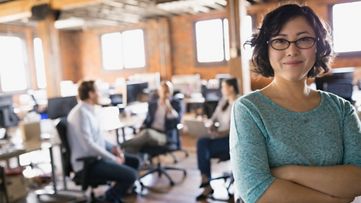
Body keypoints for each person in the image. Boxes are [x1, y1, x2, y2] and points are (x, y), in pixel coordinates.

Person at [230, 3, 361, 203]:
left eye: (304, 39)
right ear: (266, 49)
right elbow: (256, 192)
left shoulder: (342, 110)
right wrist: (334, 200)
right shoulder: (249, 109)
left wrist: (289, 173)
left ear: (318, 46)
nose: (292, 50)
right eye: (280, 41)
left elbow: (358, 179)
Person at [67, 80, 140, 203]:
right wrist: (113, 158)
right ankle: (109, 199)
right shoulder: (80, 114)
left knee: (134, 161)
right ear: (91, 94)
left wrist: (113, 148)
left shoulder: (90, 111)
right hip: (88, 164)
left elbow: (98, 139)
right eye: (98, 91)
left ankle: (119, 193)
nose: (101, 94)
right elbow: (89, 146)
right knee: (131, 175)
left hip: (97, 159)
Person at [196, 78, 239, 200]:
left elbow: (236, 129)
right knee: (202, 142)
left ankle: (206, 183)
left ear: (231, 88)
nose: (221, 89)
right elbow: (214, 119)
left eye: (223, 87)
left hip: (232, 141)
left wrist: (220, 134)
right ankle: (205, 180)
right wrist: (209, 125)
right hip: (219, 137)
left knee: (204, 148)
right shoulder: (223, 102)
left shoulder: (239, 103)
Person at [121, 80, 182, 154]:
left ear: (171, 91)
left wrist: (168, 105)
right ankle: (130, 160)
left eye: (167, 90)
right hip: (152, 131)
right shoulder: (153, 104)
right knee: (136, 144)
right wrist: (141, 126)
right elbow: (148, 119)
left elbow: (177, 121)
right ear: (159, 91)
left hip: (165, 135)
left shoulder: (175, 103)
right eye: (163, 90)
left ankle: (121, 145)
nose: (165, 93)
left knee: (147, 134)